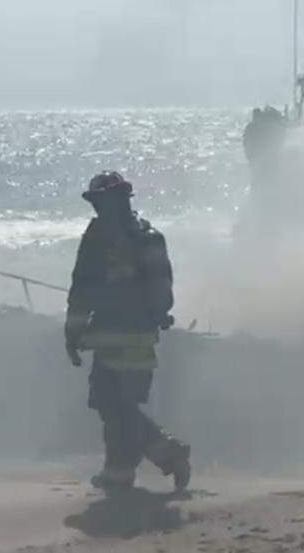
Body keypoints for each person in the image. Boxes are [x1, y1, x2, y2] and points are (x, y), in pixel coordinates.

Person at [64, 171, 192, 491]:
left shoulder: (98, 238)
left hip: (111, 335)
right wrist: (157, 315)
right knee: (121, 406)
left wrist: (73, 332)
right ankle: (119, 471)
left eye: (99, 201)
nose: (98, 208)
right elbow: (163, 289)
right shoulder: (148, 235)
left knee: (113, 405)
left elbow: (82, 289)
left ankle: (163, 455)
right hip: (143, 335)